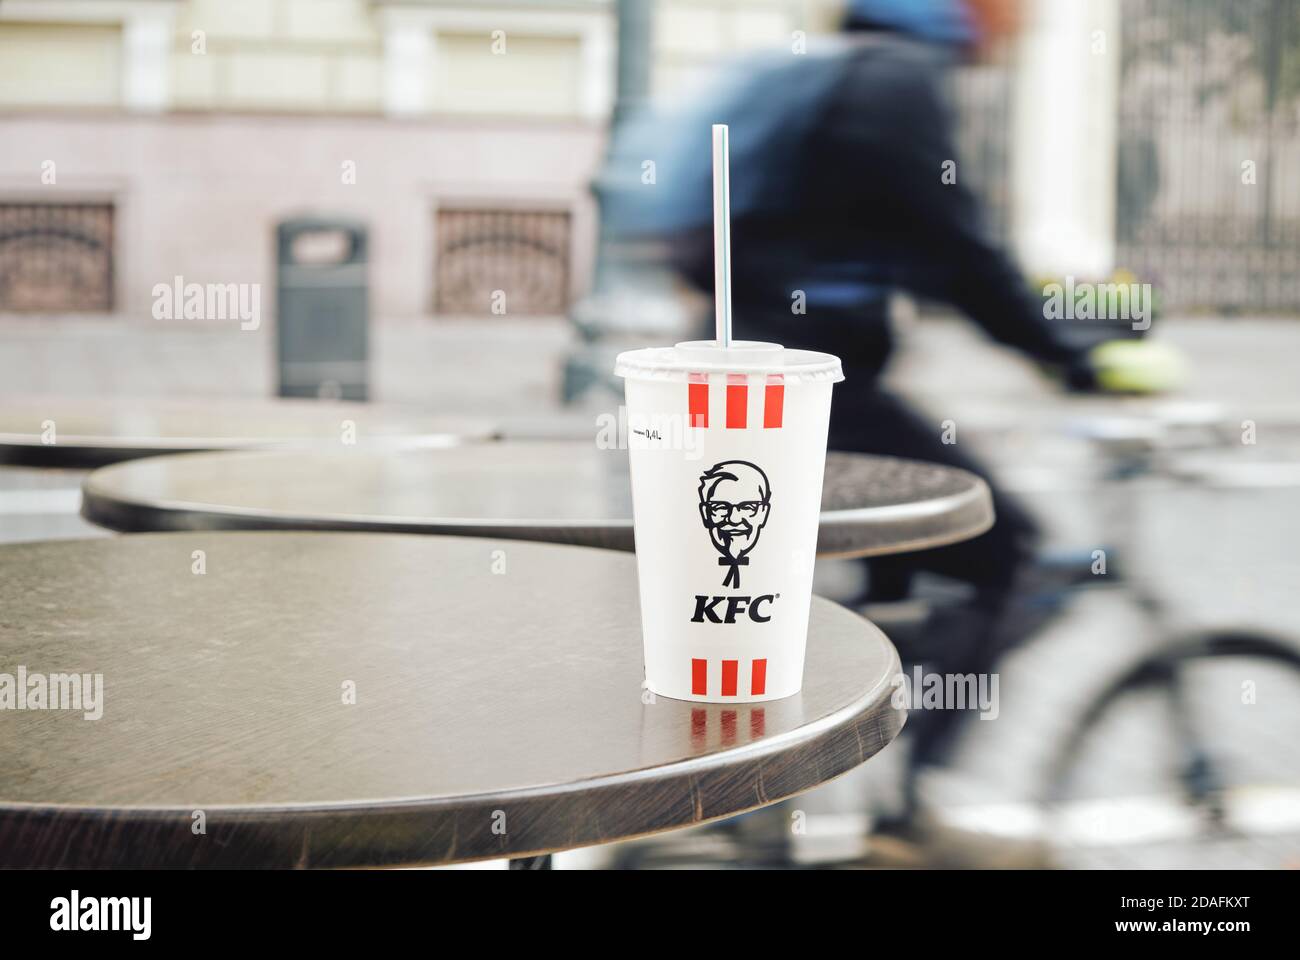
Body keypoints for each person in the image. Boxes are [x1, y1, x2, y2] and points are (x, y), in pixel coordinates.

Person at [597, 0, 1106, 840]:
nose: (1022, 22)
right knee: (1001, 545)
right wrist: (1062, 350)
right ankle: (895, 823)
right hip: (796, 398)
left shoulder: (854, 77)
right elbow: (954, 246)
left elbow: (929, 245)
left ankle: (803, 782)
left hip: (806, 385)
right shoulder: (895, 85)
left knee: (893, 592)